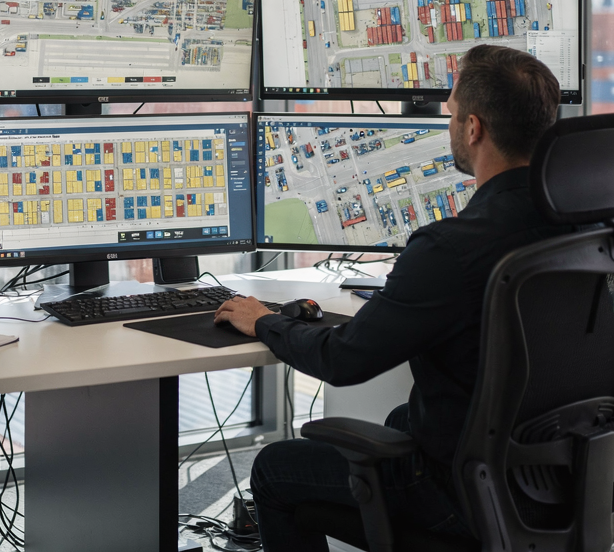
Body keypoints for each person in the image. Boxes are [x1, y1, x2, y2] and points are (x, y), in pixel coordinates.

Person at [215, 44, 566, 550]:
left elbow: (344, 360)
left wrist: (264, 320)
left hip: (465, 493)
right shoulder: (587, 222)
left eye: (450, 113)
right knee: (402, 418)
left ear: (473, 129)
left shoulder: (452, 248)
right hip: (566, 476)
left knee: (273, 469)